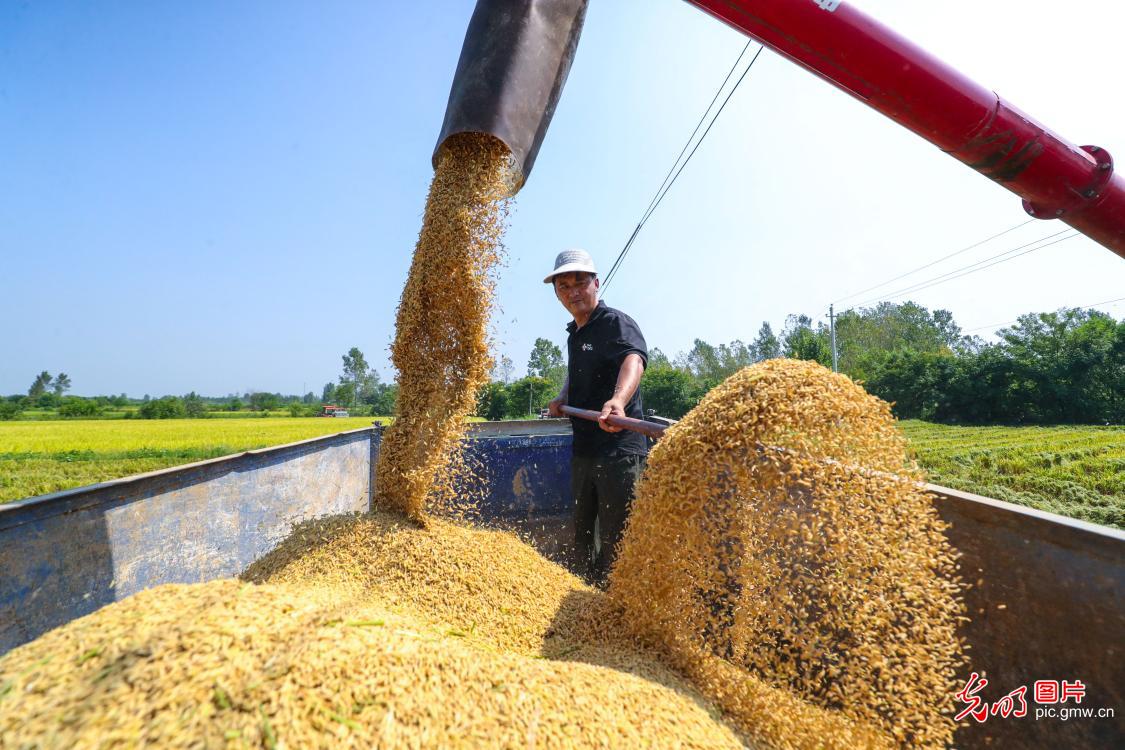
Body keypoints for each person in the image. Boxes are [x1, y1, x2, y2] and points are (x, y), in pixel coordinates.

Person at [544, 248, 648, 585]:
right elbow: (578, 374)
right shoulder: (576, 333)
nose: (573, 292)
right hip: (585, 448)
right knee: (583, 530)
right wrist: (563, 396)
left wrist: (617, 401)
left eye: (579, 283)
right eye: (564, 287)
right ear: (557, 293)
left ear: (596, 283)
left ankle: (618, 602)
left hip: (618, 450)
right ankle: (585, 596)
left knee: (619, 536)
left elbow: (633, 360)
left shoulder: (614, 323)